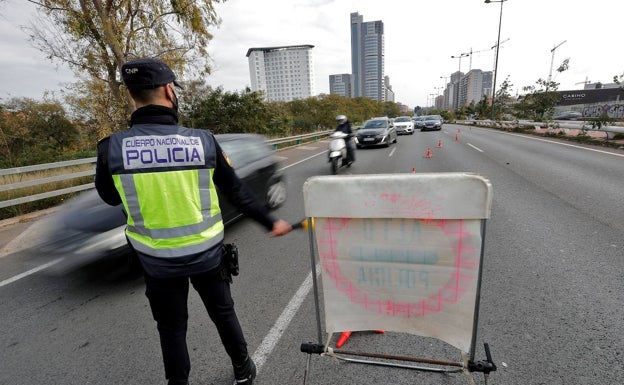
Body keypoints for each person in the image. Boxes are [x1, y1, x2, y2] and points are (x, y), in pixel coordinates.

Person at [94, 57, 292, 385]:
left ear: (131, 96)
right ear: (169, 91)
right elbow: (237, 192)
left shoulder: (111, 148)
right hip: (207, 256)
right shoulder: (202, 141)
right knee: (223, 314)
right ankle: (243, 370)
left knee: (172, 330)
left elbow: (111, 197)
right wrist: (270, 222)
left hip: (157, 263)